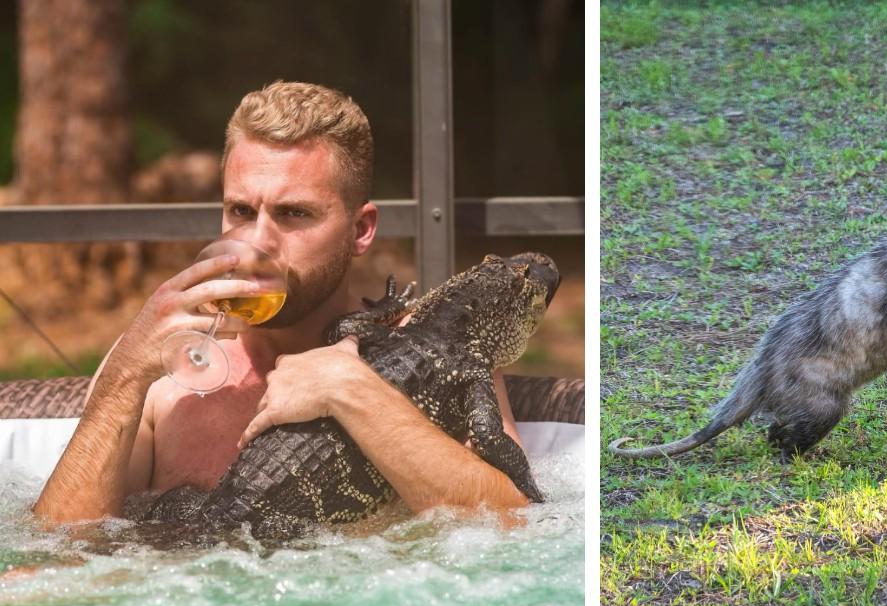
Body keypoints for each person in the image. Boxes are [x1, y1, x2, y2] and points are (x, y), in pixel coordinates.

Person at [33, 81, 530, 526]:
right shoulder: (157, 366)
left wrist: (351, 389)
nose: (258, 241)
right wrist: (123, 376)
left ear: (360, 231)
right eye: (241, 211)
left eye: (294, 213)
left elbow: (516, 528)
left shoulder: (435, 352)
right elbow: (59, 554)